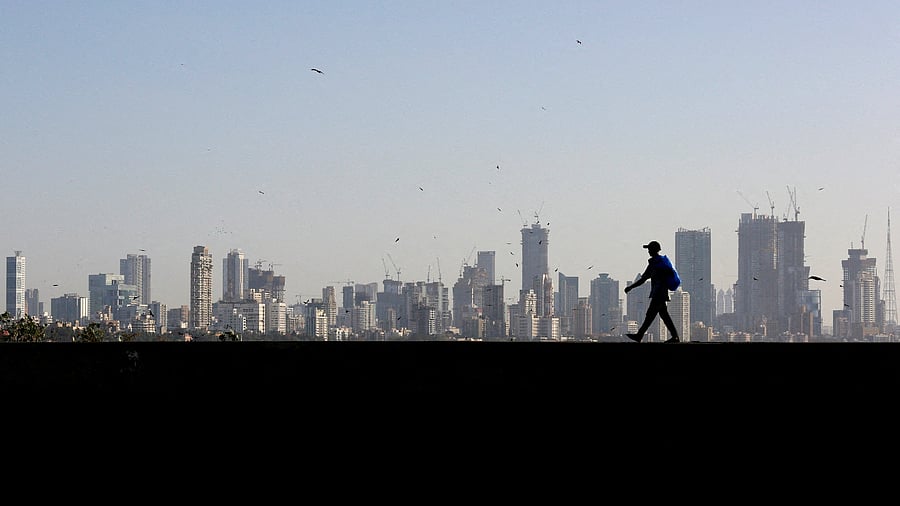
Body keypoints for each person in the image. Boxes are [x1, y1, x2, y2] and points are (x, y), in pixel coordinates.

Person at [623, 240, 680, 343]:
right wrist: (632, 287)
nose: (648, 251)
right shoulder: (659, 263)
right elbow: (644, 278)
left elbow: (643, 279)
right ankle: (675, 337)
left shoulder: (656, 264)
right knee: (663, 315)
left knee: (650, 315)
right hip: (660, 294)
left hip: (659, 294)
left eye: (649, 249)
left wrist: (631, 287)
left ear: (654, 250)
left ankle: (639, 336)